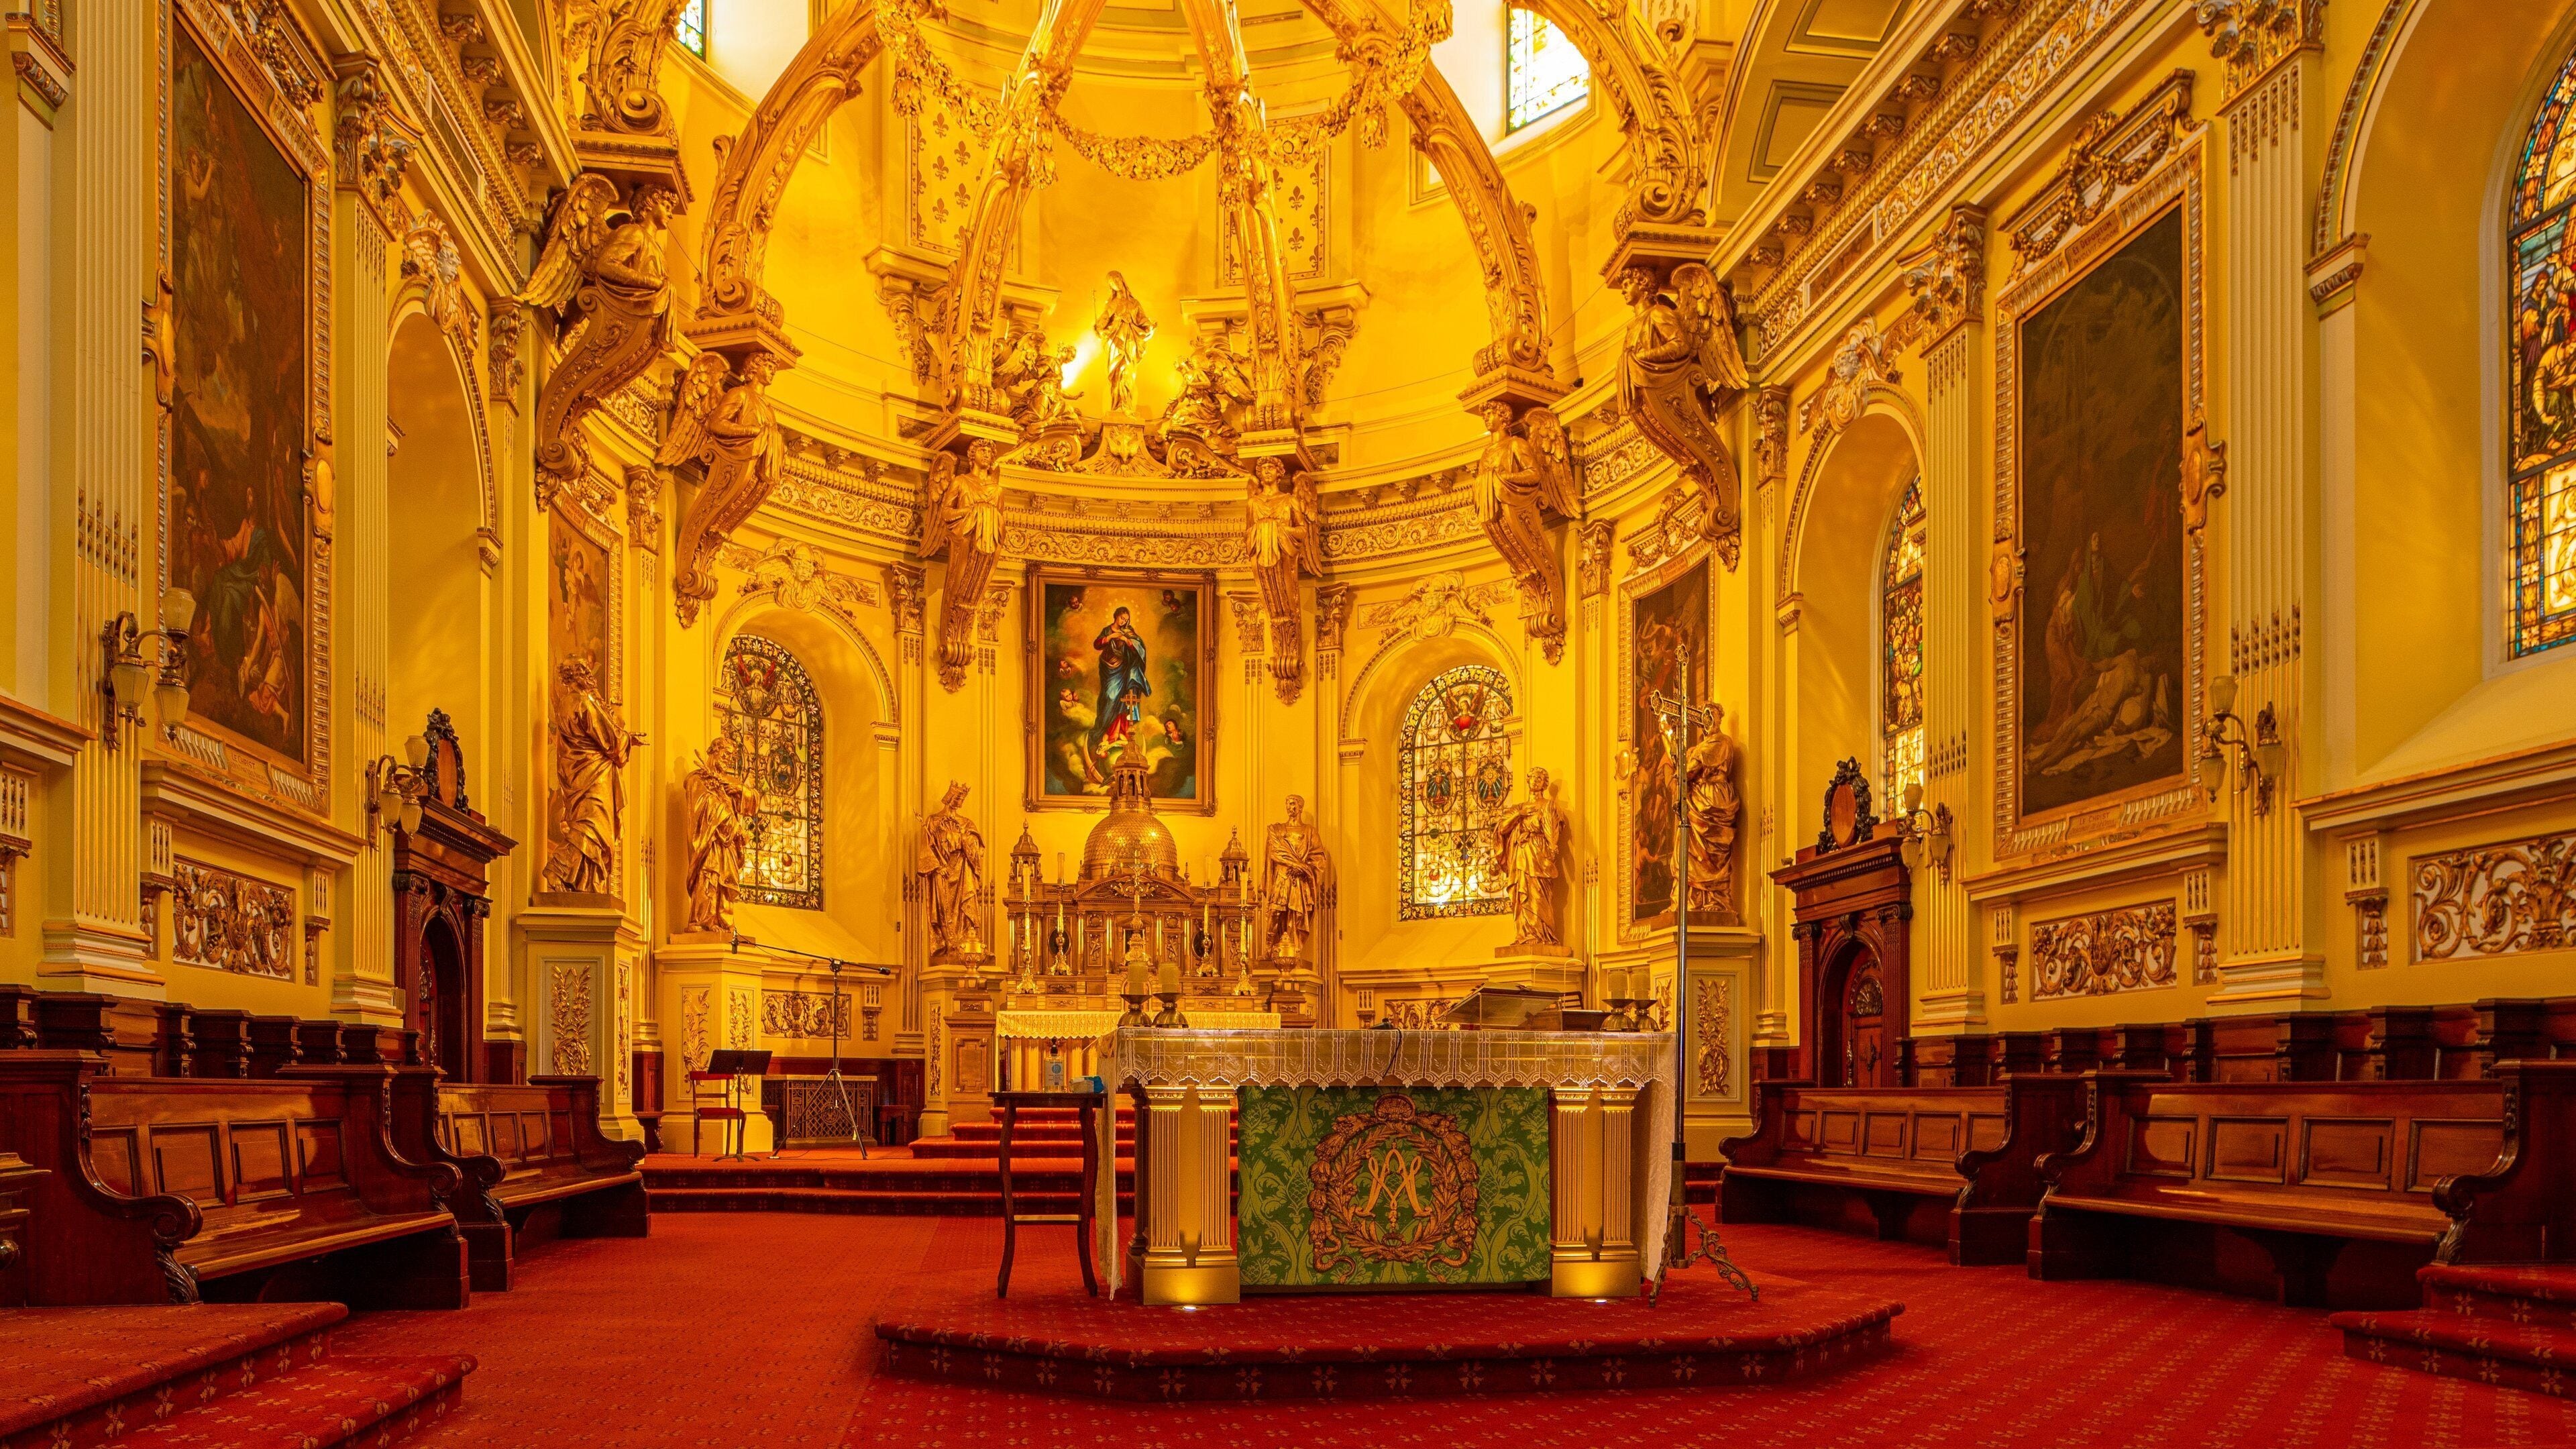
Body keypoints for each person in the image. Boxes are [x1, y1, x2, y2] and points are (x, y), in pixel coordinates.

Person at [1089, 604, 1152, 761]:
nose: (1124, 621)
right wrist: (1111, 637)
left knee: (1122, 701)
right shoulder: (1107, 630)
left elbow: (1138, 648)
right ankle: (1104, 730)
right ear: (1116, 617)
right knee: (1109, 698)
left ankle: (1118, 733)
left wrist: (1126, 640)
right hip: (1108, 669)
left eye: (1127, 619)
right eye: (1122, 618)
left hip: (1123, 670)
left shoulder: (1128, 632)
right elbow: (1097, 644)